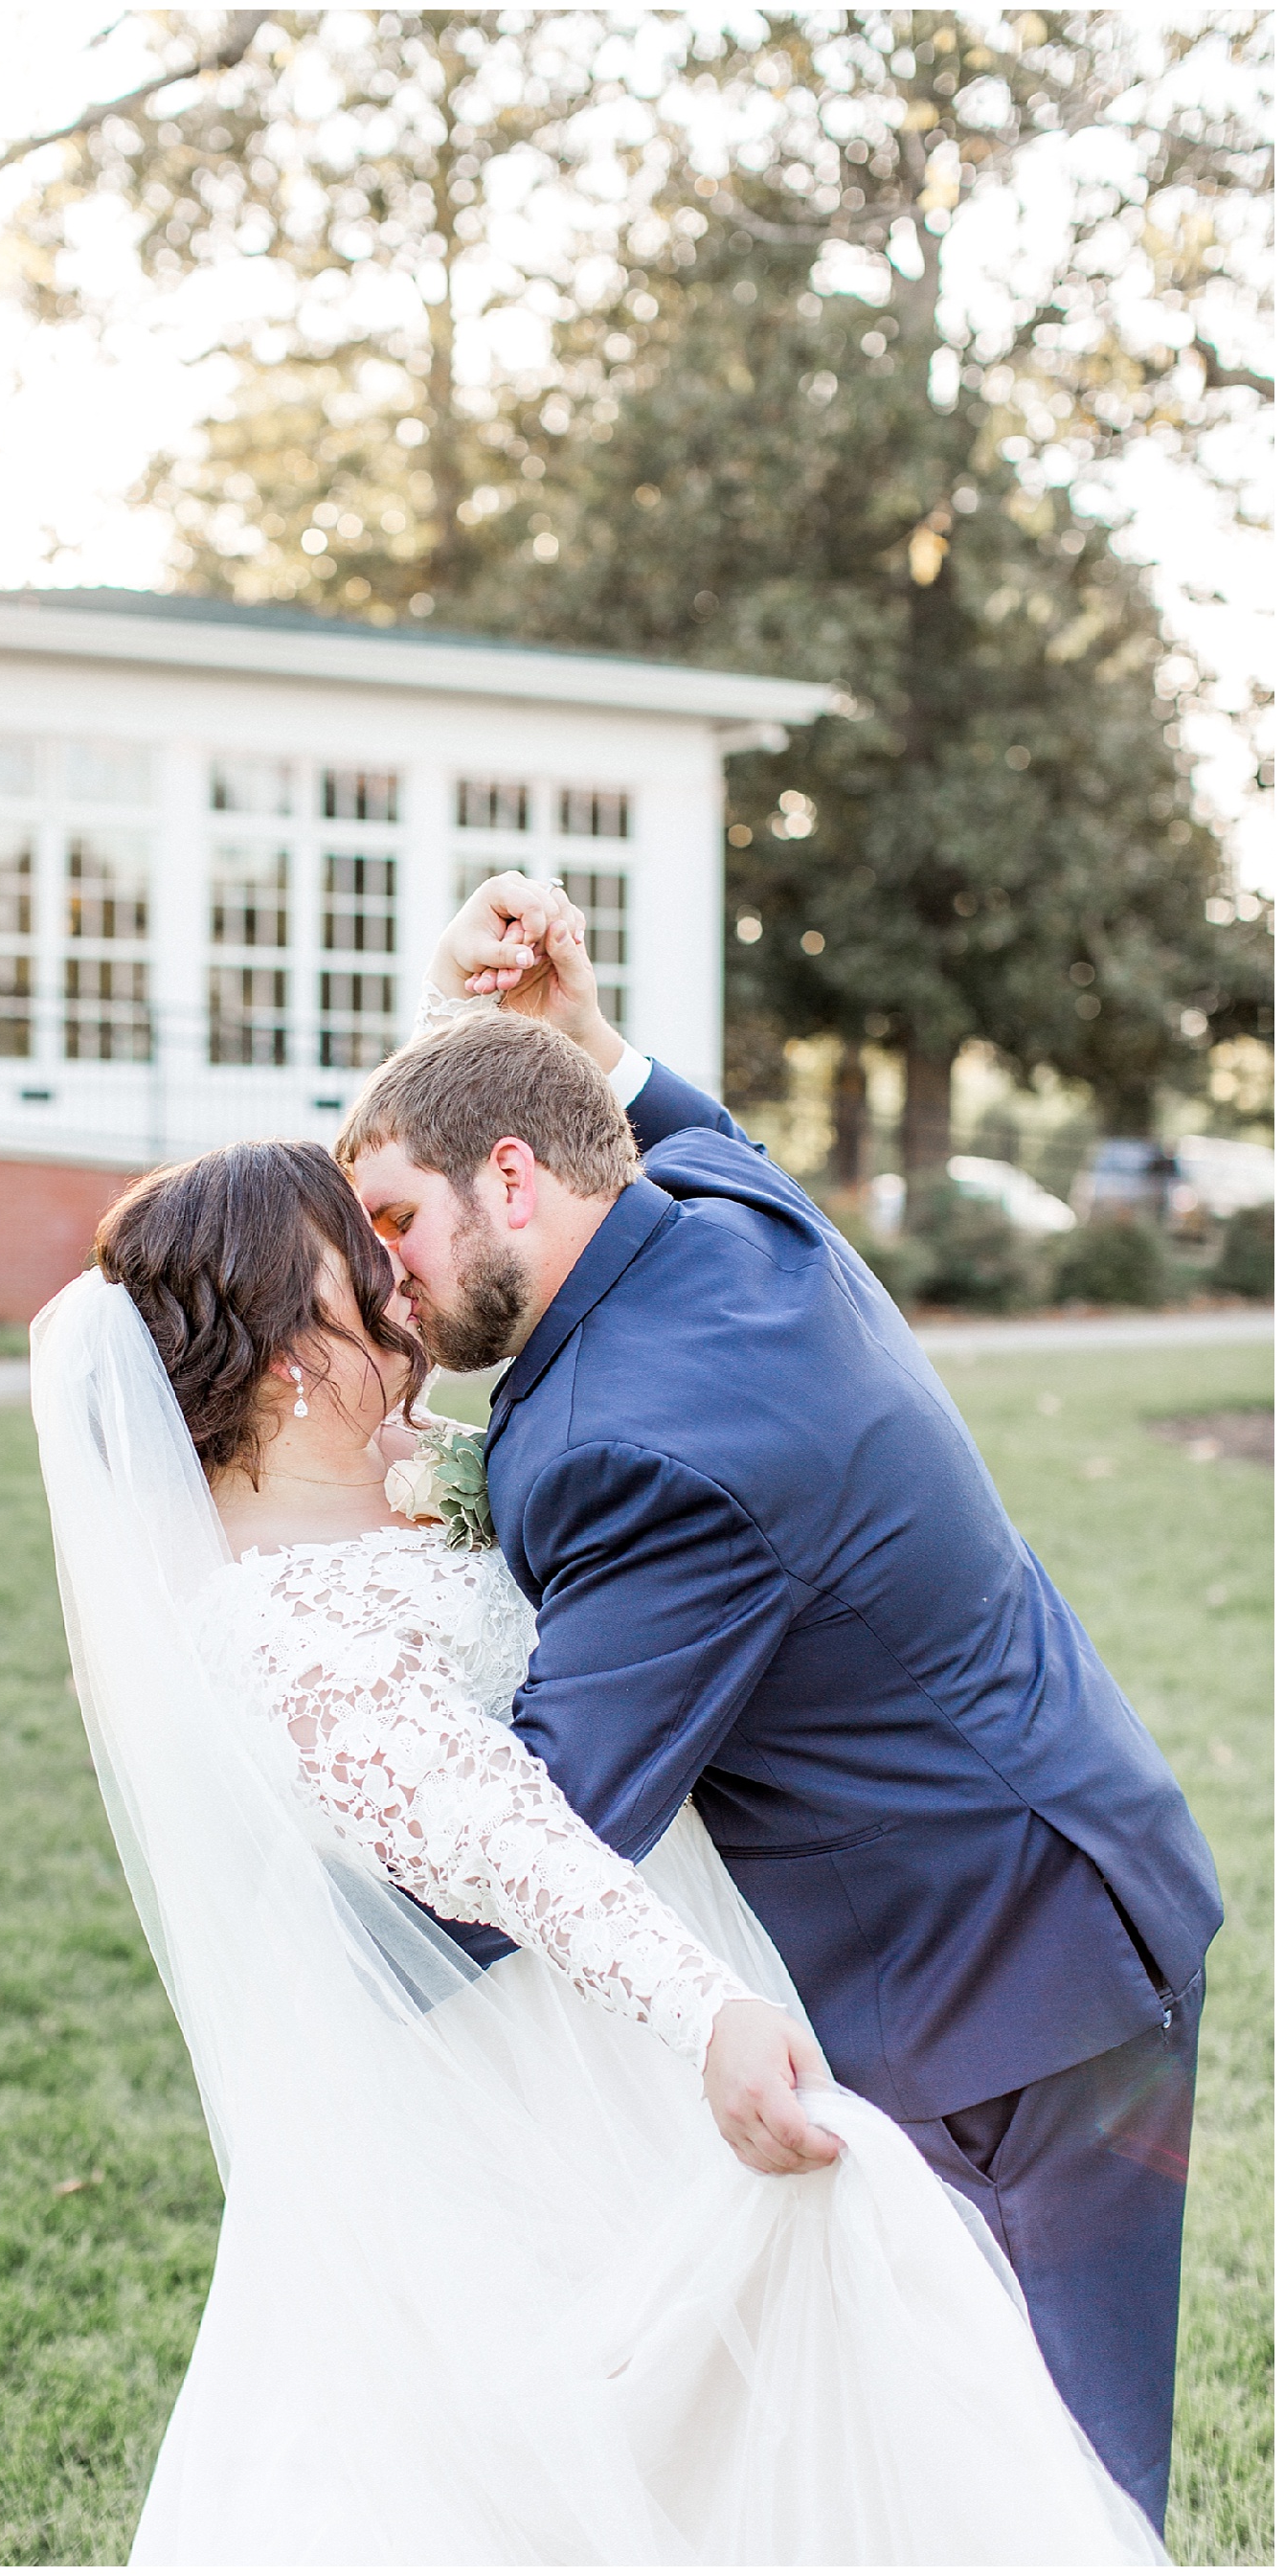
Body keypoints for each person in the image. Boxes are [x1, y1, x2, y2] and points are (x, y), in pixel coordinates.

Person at [31, 1111, 1162, 2562]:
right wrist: (708, 2014)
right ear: (284, 1344)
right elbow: (510, 1832)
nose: (396, 1282)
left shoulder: (401, 1494)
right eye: (355, 1257)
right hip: (529, 2078)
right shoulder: (281, 1629)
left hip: (596, 2014)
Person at [337, 873, 1223, 2537]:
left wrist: (285, 1913)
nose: (382, 1276)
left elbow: (542, 1832)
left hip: (1011, 1989)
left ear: (512, 1178)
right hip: (1051, 1885)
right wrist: (578, 1036)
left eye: (394, 1220)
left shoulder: (645, 1447)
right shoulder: (714, 1215)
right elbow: (682, 1123)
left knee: (1041, 2479)